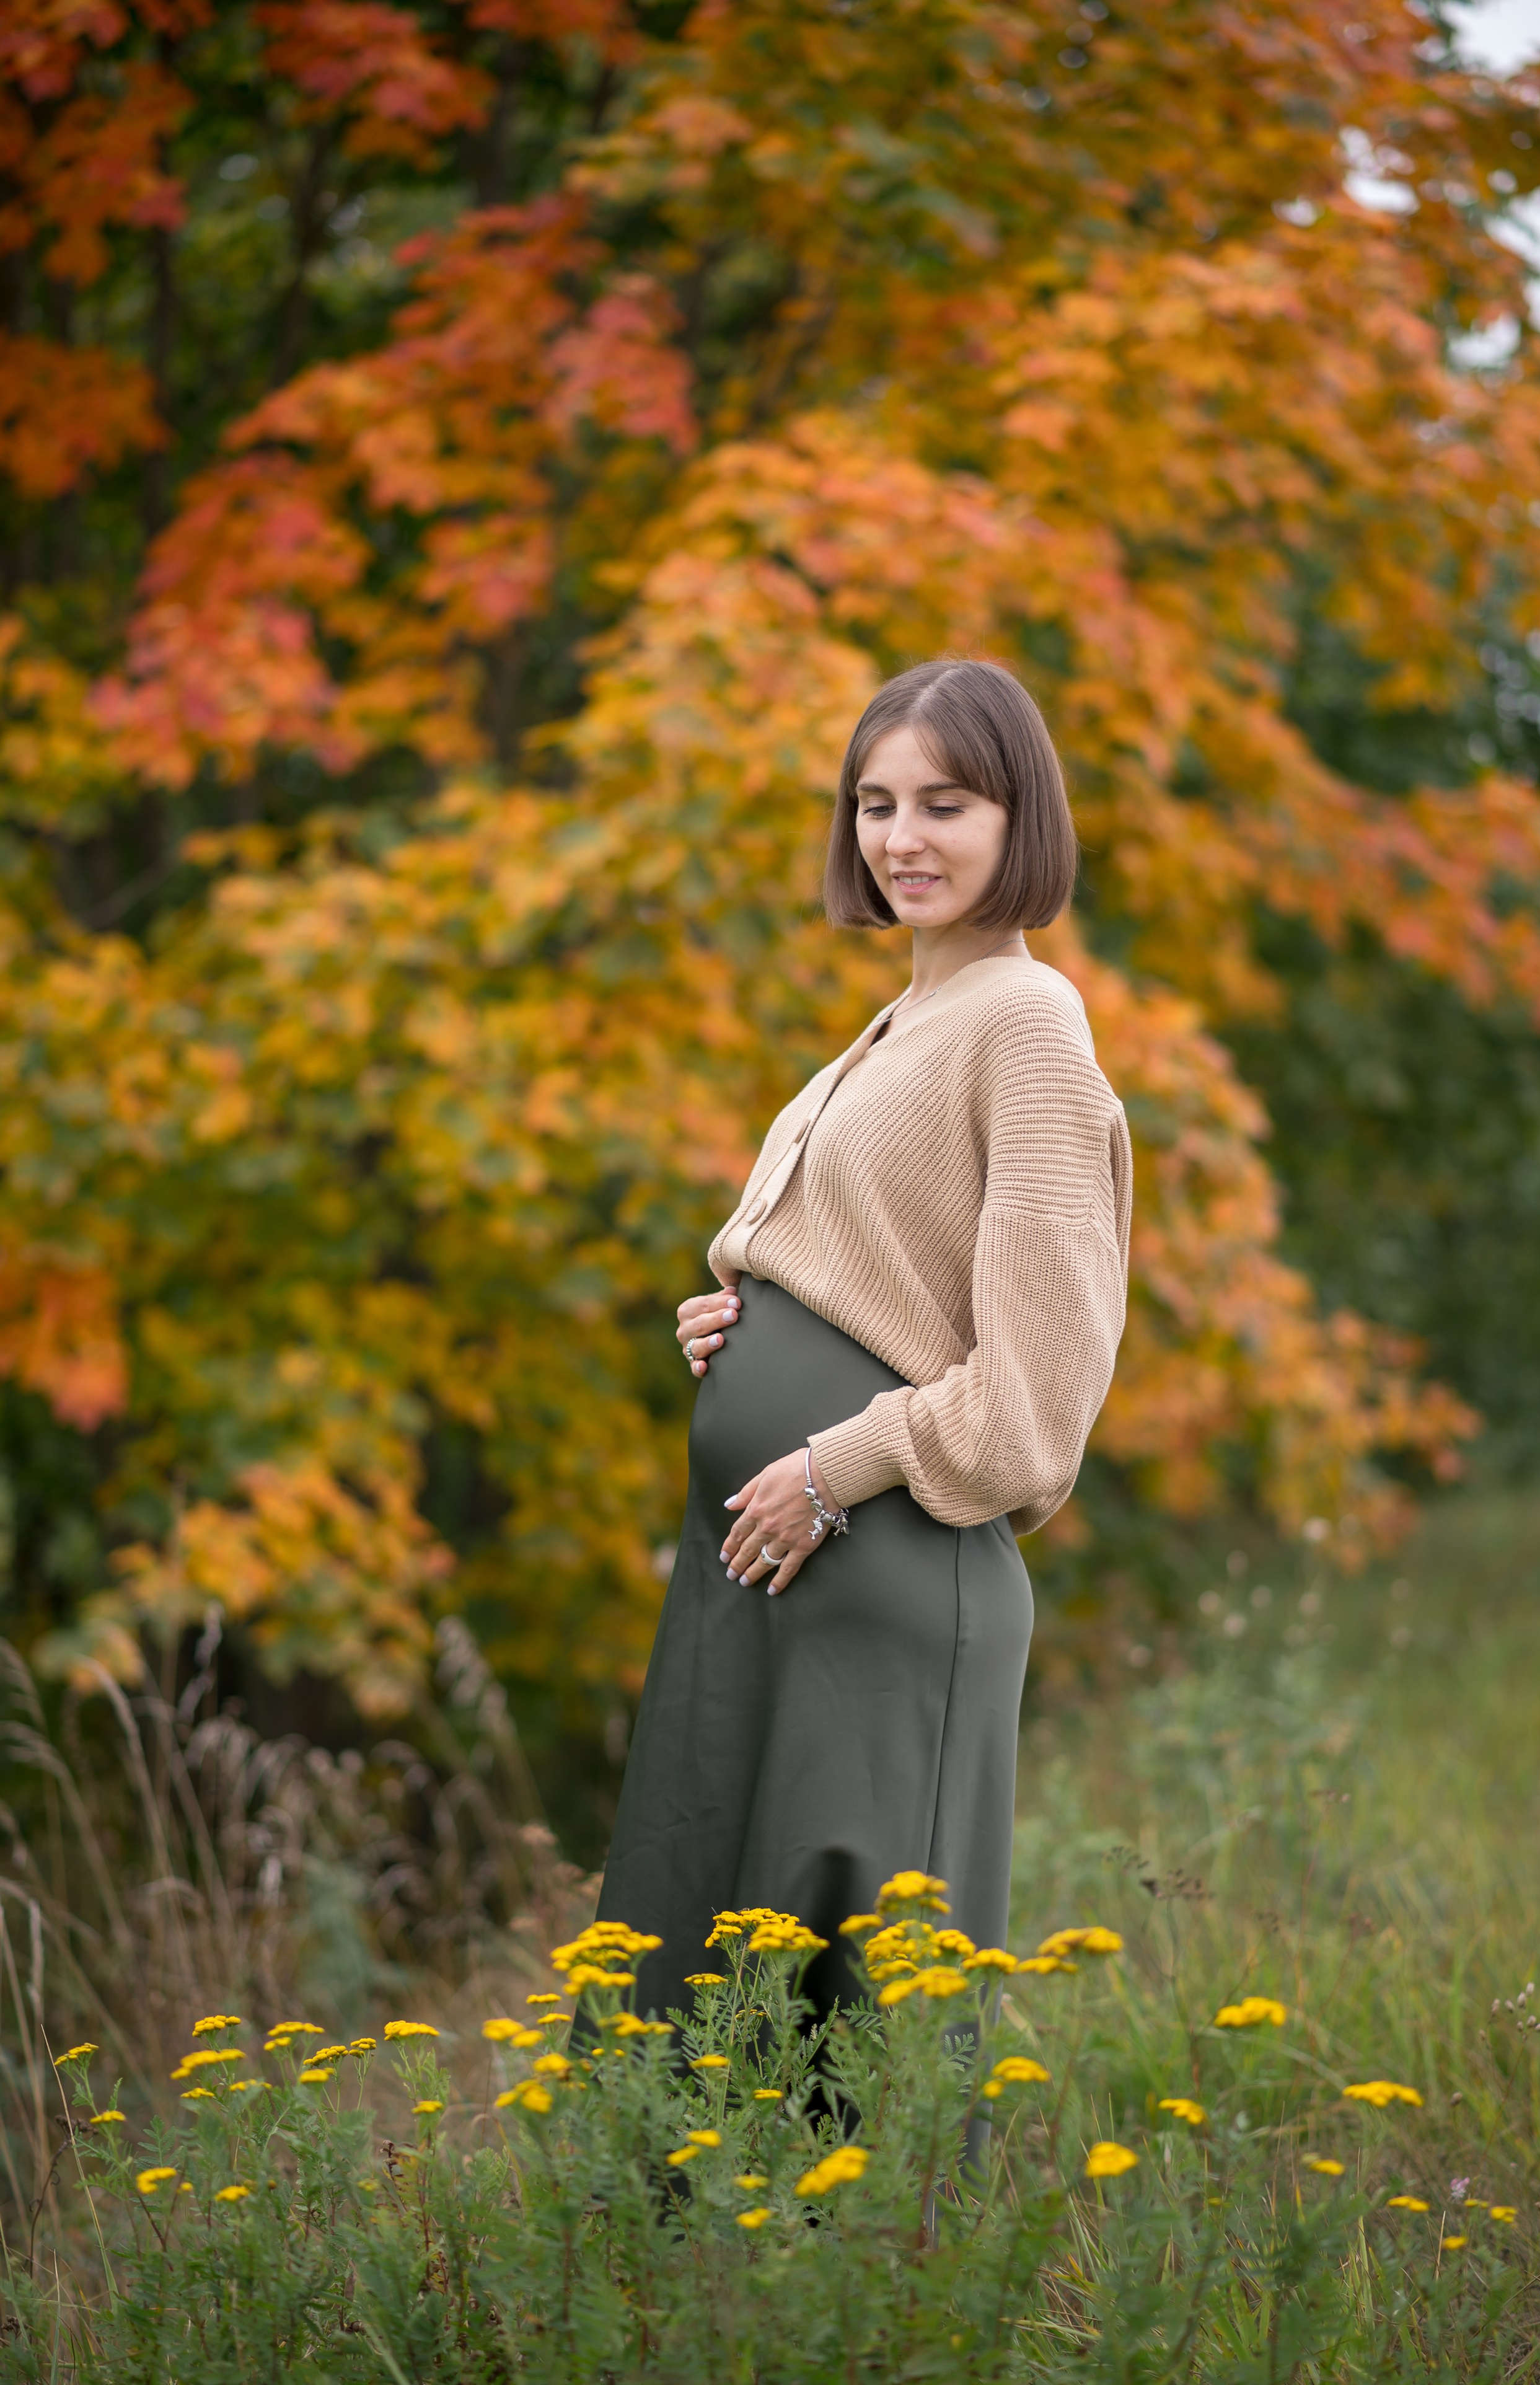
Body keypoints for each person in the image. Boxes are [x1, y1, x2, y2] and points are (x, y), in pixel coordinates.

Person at [596, 658, 1132, 2020]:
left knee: (858, 2036)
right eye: (873, 803)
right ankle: (694, 2250)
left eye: (942, 803)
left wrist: (833, 1456)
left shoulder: (1026, 1022)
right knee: (710, 2001)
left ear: (1021, 818)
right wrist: (748, 1310)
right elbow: (894, 1277)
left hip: (879, 1563)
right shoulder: (902, 1019)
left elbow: (1032, 1398)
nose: (898, 838)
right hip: (768, 1567)